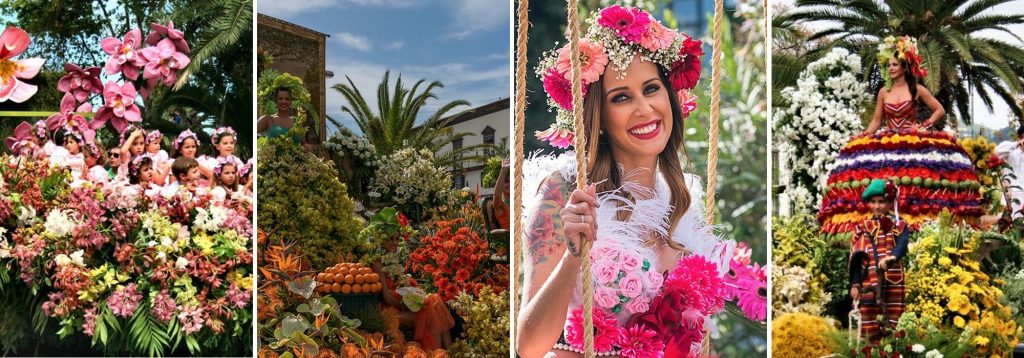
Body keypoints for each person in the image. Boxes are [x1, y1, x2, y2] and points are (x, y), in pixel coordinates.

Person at [516, 6, 733, 357]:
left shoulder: (683, 206)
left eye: (651, 89)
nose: (644, 109)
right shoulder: (564, 191)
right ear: (599, 117)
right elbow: (528, 347)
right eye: (621, 97)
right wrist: (574, 254)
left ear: (669, 98)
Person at [818, 36, 983, 238]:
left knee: (915, 176)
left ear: (904, 67)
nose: (891, 69)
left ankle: (914, 222)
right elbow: (877, 120)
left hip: (911, 138)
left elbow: (939, 110)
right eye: (889, 65)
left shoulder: (917, 89)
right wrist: (863, 137)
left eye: (895, 65)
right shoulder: (883, 92)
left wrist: (923, 126)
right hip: (889, 139)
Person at [849, 179, 909, 345]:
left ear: (890, 203)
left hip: (894, 280)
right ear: (869, 204)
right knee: (869, 319)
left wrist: (892, 257)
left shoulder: (900, 224)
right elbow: (856, 257)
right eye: (873, 202)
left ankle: (894, 350)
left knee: (894, 319)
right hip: (868, 281)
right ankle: (870, 352)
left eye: (881, 202)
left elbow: (902, 245)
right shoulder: (861, 227)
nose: (877, 206)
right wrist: (855, 284)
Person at [995, 125, 1024, 219]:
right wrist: (1017, 144)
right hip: (1011, 195)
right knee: (1010, 224)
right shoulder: (1011, 149)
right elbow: (996, 153)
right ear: (1019, 136)